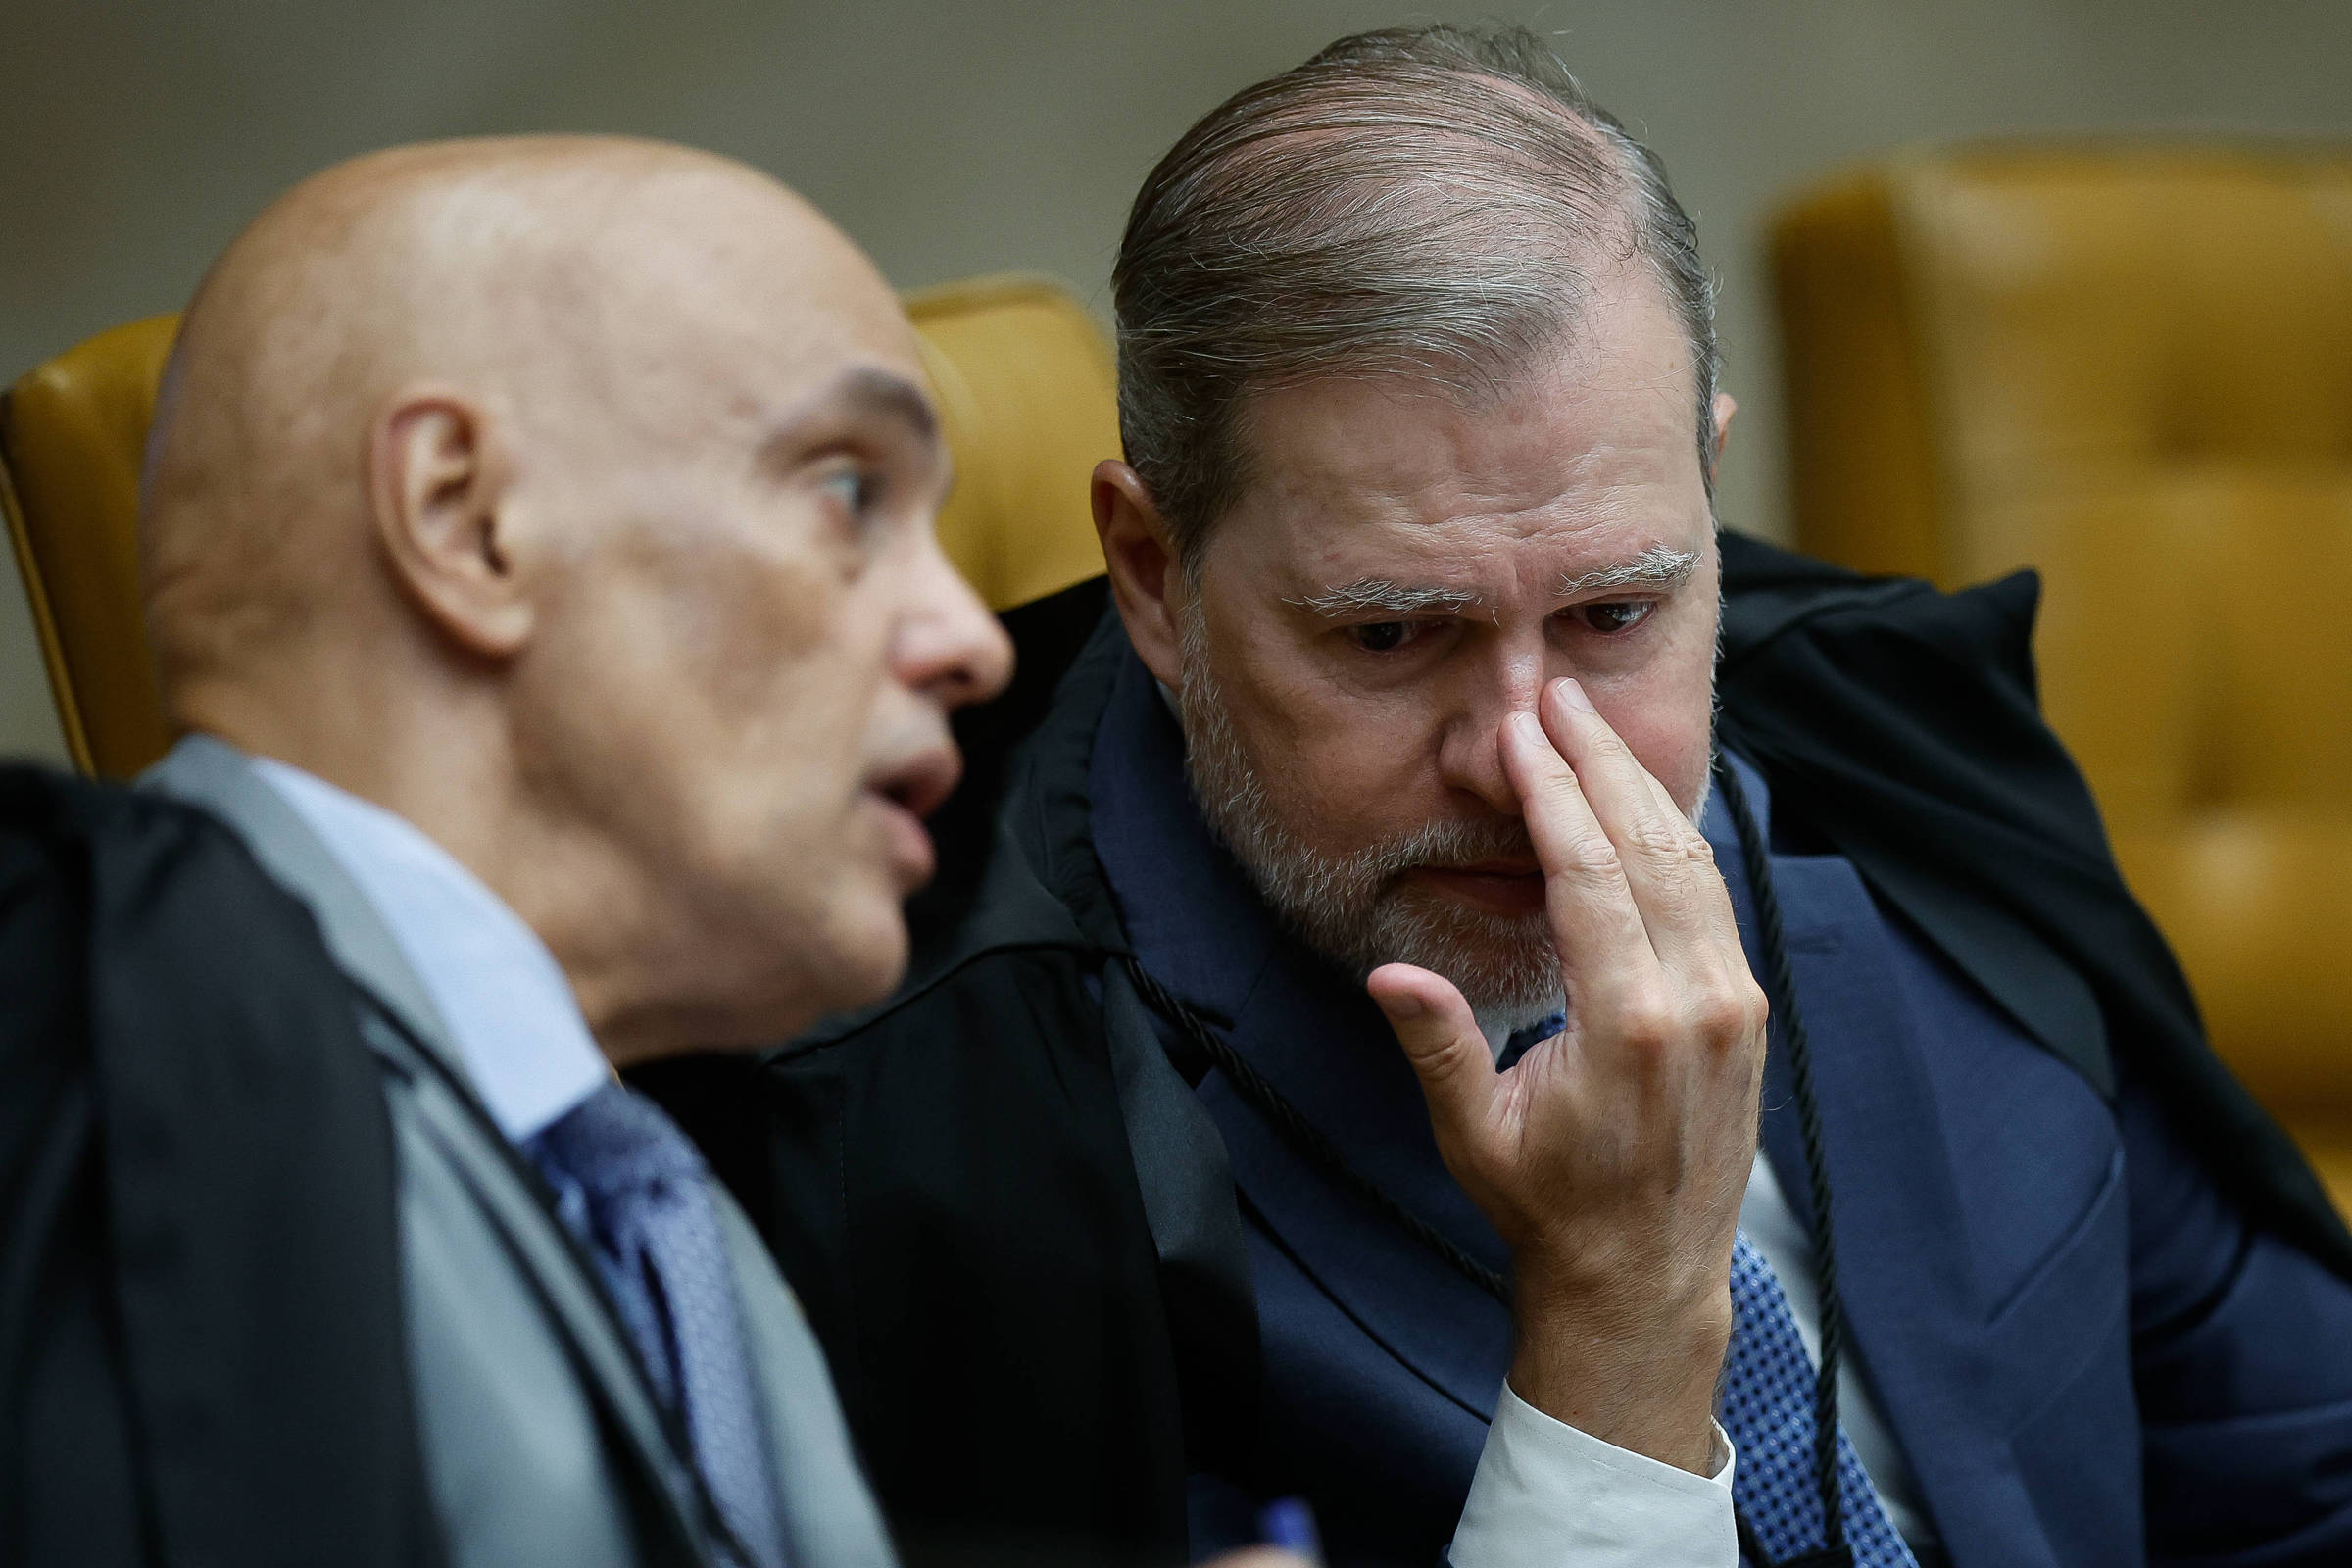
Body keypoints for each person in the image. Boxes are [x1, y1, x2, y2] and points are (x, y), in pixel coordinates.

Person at [651, 25, 2352, 1568]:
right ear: (1155, 576)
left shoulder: (1897, 745)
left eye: (1615, 613)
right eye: (1392, 636)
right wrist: (1621, 1323)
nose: (1527, 760)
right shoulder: (936, 1129)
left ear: (1705, 484)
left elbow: (2300, 1466)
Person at [0, 134, 1217, 1568]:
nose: (969, 639)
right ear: (467, 521)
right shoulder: (72, 1049)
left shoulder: (638, 1189)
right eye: (847, 494)